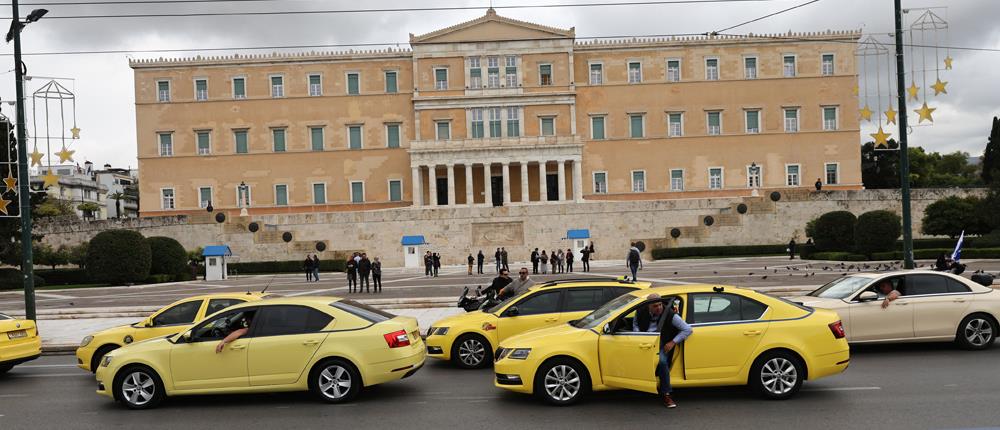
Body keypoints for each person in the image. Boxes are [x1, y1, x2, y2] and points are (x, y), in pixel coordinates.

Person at [633, 294, 692, 408]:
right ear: (648, 306)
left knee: (662, 362)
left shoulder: (670, 314)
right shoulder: (640, 311)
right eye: (655, 306)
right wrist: (638, 336)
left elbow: (687, 329)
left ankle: (666, 394)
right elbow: (635, 324)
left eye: (660, 304)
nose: (659, 308)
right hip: (644, 342)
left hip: (661, 343)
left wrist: (673, 342)